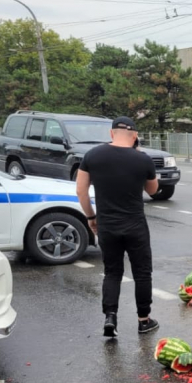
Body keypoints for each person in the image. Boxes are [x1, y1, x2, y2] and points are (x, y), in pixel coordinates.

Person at [76, 116, 160, 337]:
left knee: (112, 272)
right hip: (135, 226)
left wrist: (91, 217)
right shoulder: (143, 159)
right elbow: (153, 190)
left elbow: (81, 191)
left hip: (107, 225)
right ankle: (144, 320)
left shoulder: (92, 156)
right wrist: (138, 153)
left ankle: (110, 317)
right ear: (135, 136)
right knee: (142, 273)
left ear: (111, 134)